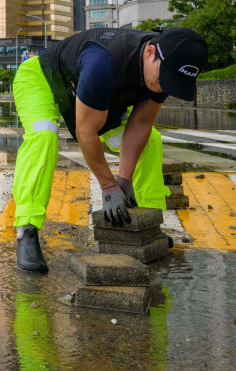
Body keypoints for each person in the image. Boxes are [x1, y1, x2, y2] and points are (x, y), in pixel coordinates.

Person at [12, 27, 208, 273]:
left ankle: (148, 223)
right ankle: (27, 230)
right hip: (43, 78)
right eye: (163, 78)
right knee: (43, 134)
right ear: (149, 52)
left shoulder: (163, 70)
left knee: (151, 141)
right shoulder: (101, 62)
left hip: (92, 97)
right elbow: (86, 132)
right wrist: (108, 186)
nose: (163, 87)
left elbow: (141, 123)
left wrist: (124, 179)